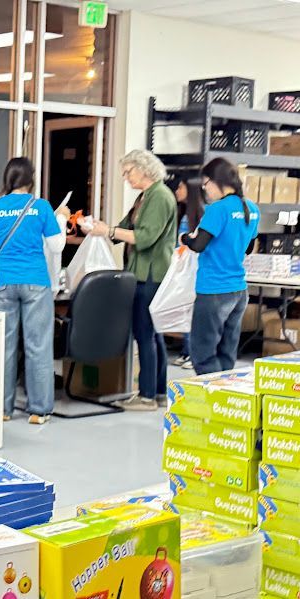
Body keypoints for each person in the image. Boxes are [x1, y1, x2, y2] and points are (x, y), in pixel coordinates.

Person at [84, 150, 176, 411]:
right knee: (151, 333)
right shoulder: (144, 197)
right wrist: (102, 228)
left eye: (128, 172)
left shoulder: (159, 197)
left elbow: (145, 237)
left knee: (145, 332)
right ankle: (157, 391)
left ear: (144, 169)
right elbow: (123, 228)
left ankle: (148, 395)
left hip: (151, 275)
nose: (125, 177)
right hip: (141, 272)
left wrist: (110, 231)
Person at [0, 157, 69, 424]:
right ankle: (39, 410)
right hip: (35, 281)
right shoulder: (41, 207)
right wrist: (62, 219)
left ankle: (2, 409)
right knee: (38, 346)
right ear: (31, 178)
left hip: (2, 281)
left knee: (4, 346)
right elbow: (57, 247)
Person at [181, 158, 259, 375]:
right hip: (238, 290)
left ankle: (212, 398)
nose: (205, 190)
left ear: (217, 182)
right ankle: (225, 400)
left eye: (206, 184)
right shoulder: (252, 209)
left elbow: (198, 245)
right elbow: (249, 248)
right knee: (227, 351)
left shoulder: (217, 210)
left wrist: (185, 238)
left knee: (203, 352)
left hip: (214, 289)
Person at [169, 176, 206, 370]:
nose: (177, 190)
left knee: (192, 312)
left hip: (194, 271)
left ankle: (193, 353)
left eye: (181, 187)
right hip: (183, 268)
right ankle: (186, 351)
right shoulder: (185, 213)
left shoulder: (201, 213)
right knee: (185, 310)